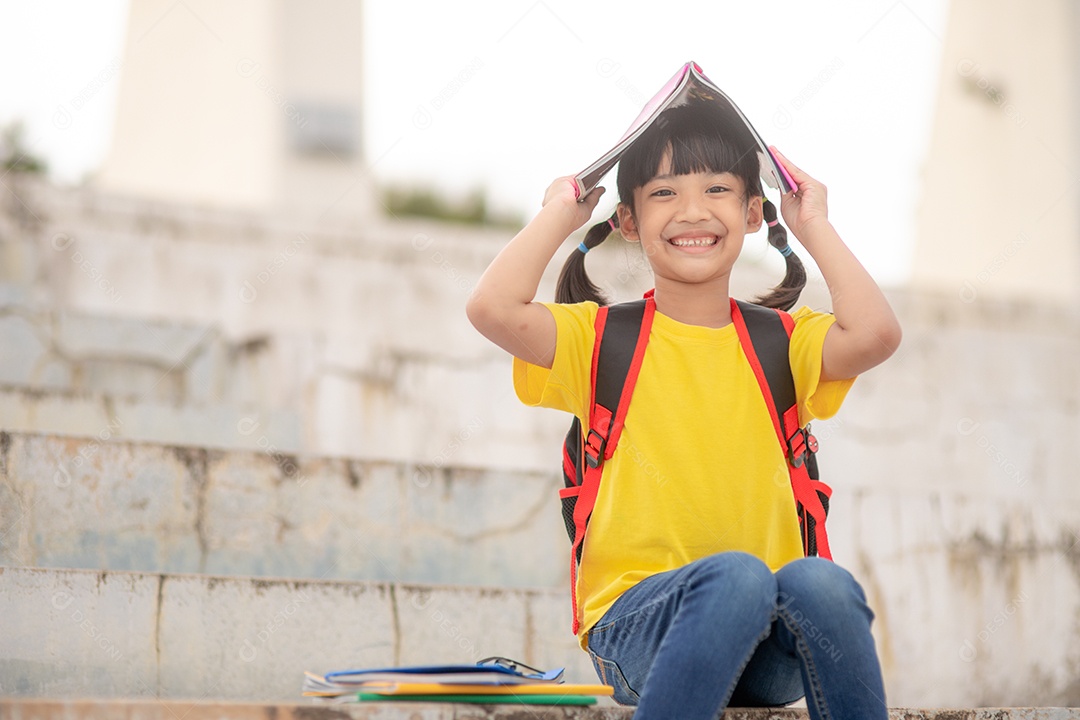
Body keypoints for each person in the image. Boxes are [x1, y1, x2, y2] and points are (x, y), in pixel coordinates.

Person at [465, 100, 901, 720]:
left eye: (718, 189)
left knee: (821, 584)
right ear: (629, 221)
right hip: (638, 634)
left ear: (753, 213)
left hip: (763, 646)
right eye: (664, 192)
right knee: (736, 579)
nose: (692, 211)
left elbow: (877, 335)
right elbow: (493, 309)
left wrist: (815, 225)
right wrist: (557, 213)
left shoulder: (782, 341)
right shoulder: (599, 341)